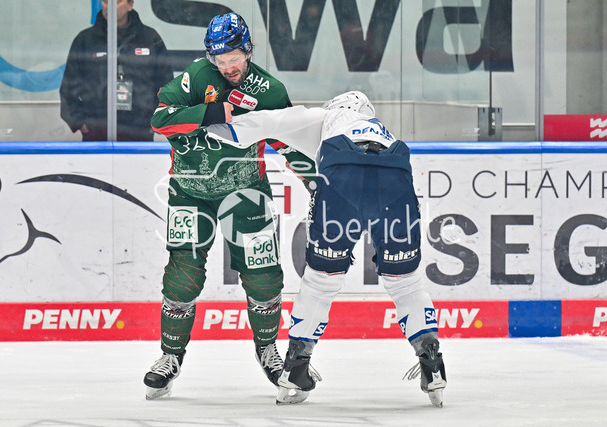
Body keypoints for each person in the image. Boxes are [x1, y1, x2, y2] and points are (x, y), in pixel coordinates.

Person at [204, 91, 447, 407]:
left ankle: (296, 369)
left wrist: (206, 123)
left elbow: (266, 122)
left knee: (320, 283)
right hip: (395, 182)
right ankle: (432, 361)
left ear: (338, 105)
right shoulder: (381, 131)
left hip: (343, 182)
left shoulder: (326, 117)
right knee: (406, 284)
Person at [142, 12, 315, 400]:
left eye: (233, 58)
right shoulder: (195, 76)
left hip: (246, 191)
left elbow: (288, 142)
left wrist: (315, 181)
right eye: (219, 60)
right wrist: (210, 112)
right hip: (190, 190)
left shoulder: (269, 91)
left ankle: (268, 350)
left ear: (248, 50)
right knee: (182, 274)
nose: (227, 67)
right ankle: (170, 356)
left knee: (264, 275)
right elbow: (160, 120)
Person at [59, 0, 172, 141]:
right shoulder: (85, 40)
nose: (110, 6)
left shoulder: (149, 39)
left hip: (139, 132)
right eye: (106, 2)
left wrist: (156, 122)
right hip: (96, 133)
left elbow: (166, 84)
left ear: (130, 4)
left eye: (117, 2)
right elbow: (69, 87)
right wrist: (80, 123)